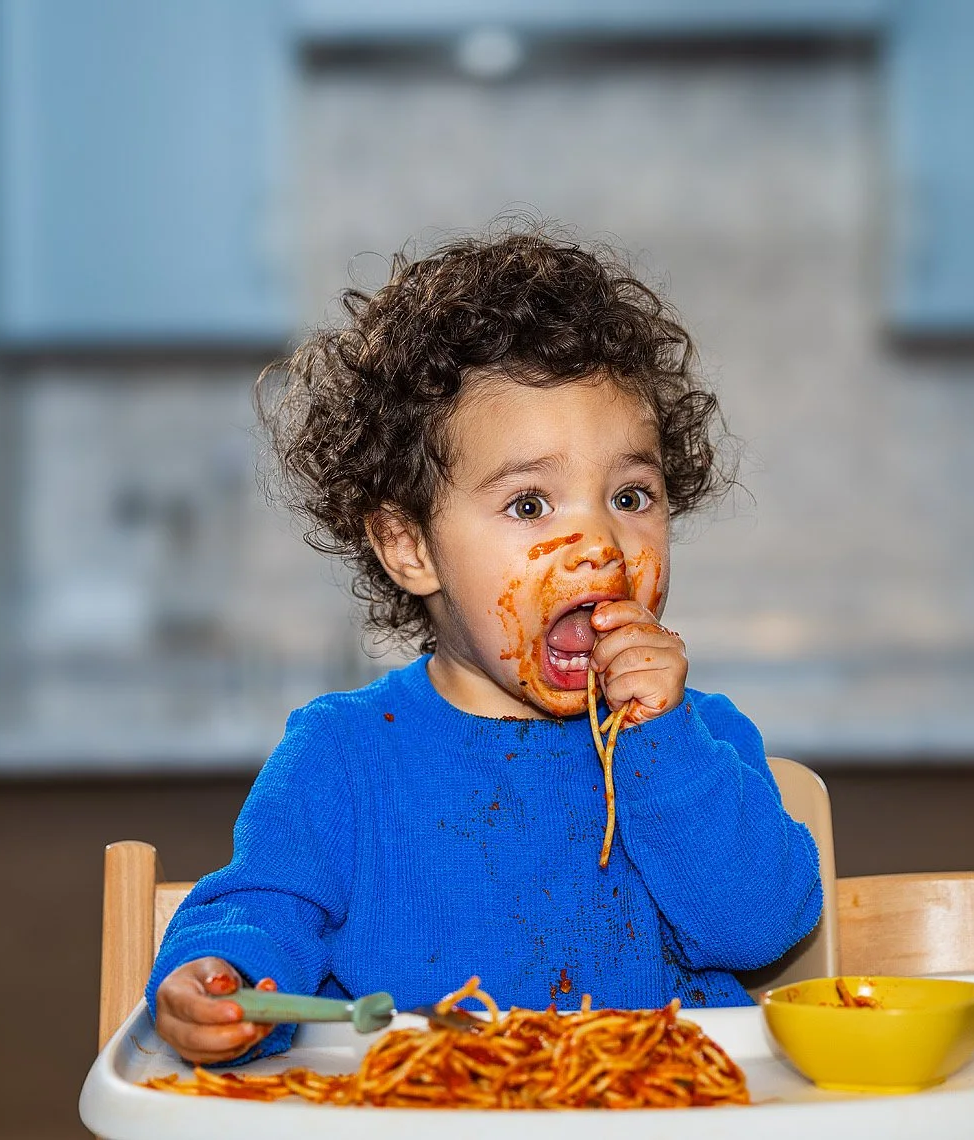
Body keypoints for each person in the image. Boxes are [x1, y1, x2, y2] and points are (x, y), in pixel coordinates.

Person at [147, 224, 823, 1064]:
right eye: (531, 505)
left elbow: (760, 927)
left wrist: (662, 741)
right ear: (410, 546)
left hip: (653, 1110)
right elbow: (263, 908)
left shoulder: (696, 742)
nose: (599, 544)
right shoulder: (345, 757)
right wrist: (223, 976)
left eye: (631, 494)